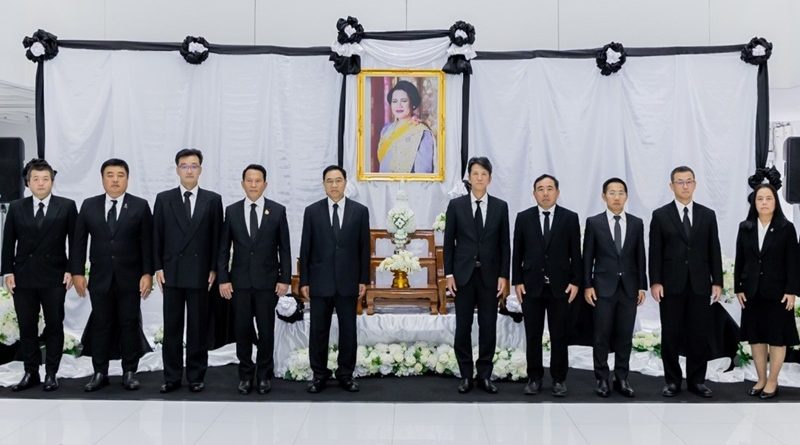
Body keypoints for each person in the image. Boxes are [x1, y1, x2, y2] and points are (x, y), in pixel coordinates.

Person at [72, 158, 153, 392]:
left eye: (120, 175)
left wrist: (147, 273)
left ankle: (129, 371)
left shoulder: (140, 206)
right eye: (110, 175)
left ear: (127, 179)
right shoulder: (89, 205)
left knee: (129, 323)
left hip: (130, 277)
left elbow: (147, 243)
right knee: (101, 324)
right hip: (100, 278)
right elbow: (79, 242)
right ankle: (100, 372)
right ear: (102, 178)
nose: (115, 180)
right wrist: (77, 272)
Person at [1, 158, 77, 392]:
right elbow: (8, 242)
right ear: (28, 182)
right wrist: (7, 271)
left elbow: (75, 242)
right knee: (27, 326)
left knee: (54, 325)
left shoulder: (66, 206)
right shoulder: (17, 207)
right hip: (23, 276)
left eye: (45, 179)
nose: (41, 183)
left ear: (52, 181)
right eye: (36, 179)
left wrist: (72, 270)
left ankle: (51, 373)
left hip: (55, 275)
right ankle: (31, 372)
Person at [153, 148, 223, 393]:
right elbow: (156, 235)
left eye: (194, 166)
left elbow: (218, 238)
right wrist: (157, 267)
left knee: (197, 327)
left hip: (200, 273)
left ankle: (195, 375)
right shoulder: (164, 199)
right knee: (172, 327)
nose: (189, 170)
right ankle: (171, 376)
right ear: (177, 170)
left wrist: (214, 268)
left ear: (200, 170)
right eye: (184, 166)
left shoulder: (212, 200)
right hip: (171, 272)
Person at [649, 165, 722, 398]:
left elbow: (714, 249)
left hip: (700, 284)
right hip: (671, 285)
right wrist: (655, 281)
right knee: (670, 334)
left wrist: (717, 281)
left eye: (689, 181)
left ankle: (697, 381)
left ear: (695, 184)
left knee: (699, 334)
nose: (685, 186)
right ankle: (672, 381)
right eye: (680, 182)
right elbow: (655, 252)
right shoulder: (660, 215)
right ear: (671, 186)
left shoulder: (707, 215)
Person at [218, 164, 291, 395]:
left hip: (267, 283)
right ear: (242, 184)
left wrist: (284, 279)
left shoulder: (277, 211)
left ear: (265, 184)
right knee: (242, 331)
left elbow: (284, 249)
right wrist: (223, 279)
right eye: (249, 180)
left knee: (266, 331)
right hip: (239, 283)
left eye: (257, 180)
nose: (253, 185)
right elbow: (223, 249)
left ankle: (264, 375)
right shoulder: (232, 211)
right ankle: (245, 375)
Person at [299, 165, 370, 393]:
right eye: (329, 181)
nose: (334, 185)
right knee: (318, 331)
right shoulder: (312, 212)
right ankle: (319, 375)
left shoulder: (360, 211)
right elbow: (306, 248)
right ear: (323, 185)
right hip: (320, 282)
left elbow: (364, 249)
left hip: (348, 282)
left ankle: (345, 374)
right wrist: (304, 281)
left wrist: (363, 279)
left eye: (338, 180)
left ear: (345, 183)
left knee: (348, 331)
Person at [444, 157, 510, 394]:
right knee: (463, 326)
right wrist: (449, 274)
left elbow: (505, 244)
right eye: (475, 174)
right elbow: (449, 243)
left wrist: (504, 275)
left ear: (490, 178)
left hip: (490, 278)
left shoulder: (500, 207)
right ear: (469, 178)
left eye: (484, 174)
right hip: (463, 276)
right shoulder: (456, 206)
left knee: (488, 326)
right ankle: (465, 375)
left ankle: (484, 375)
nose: (479, 178)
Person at [512, 174, 581, 397]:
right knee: (533, 334)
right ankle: (534, 378)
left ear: (557, 192)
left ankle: (559, 379)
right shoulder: (524, 218)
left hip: (560, 288)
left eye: (550, 188)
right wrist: (517, 281)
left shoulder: (570, 218)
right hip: (531, 287)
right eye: (540, 189)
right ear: (534, 194)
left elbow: (576, 254)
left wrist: (576, 282)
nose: (545, 193)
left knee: (559, 335)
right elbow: (517, 252)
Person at [582, 177, 647, 398]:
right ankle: (602, 378)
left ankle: (622, 378)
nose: (616, 197)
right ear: (604, 196)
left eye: (620, 192)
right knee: (601, 335)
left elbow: (640, 255)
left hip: (628, 288)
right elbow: (587, 257)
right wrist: (587, 285)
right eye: (612, 193)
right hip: (603, 288)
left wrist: (642, 286)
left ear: (626, 196)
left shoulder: (636, 223)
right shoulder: (594, 223)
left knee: (625, 335)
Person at [734, 183, 799, 399]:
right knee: (757, 337)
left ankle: (773, 380)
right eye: (760, 199)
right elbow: (740, 259)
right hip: (751, 292)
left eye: (768, 198)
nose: (764, 203)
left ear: (775, 202)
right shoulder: (745, 227)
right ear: (754, 202)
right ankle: (761, 378)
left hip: (778, 293)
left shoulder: (786, 228)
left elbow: (793, 262)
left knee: (777, 338)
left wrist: (791, 290)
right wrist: (739, 287)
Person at [376, 80, 435, 174]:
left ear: (413, 104)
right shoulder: (385, 130)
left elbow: (423, 173)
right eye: (394, 101)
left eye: (404, 101)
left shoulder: (422, 132)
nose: (398, 105)